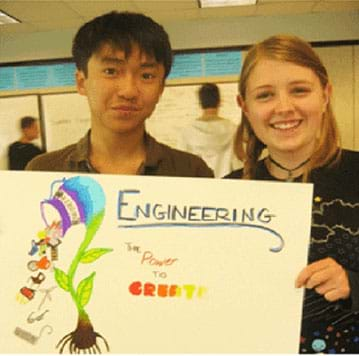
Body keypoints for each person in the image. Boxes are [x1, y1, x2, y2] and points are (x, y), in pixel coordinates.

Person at [225, 34, 359, 353]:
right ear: (244, 106)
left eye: (299, 90)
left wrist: (353, 283)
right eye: (265, 95)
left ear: (325, 95)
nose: (284, 108)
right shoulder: (228, 193)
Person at [26, 11, 213, 178]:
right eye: (111, 71)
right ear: (82, 82)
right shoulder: (43, 172)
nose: (129, 91)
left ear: (161, 88)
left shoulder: (192, 173)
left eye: (146, 75)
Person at [177, 83, 237, 177]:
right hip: (226, 186)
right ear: (219, 101)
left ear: (200, 103)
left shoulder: (187, 132)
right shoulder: (233, 130)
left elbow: (181, 166)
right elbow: (238, 164)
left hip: (197, 186)